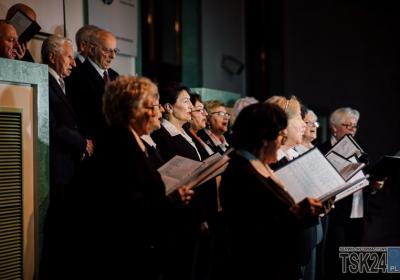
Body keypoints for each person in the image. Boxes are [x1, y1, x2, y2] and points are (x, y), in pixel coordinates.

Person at [94, 75, 193, 279]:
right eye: (152, 106)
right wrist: (172, 200)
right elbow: (130, 210)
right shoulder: (120, 149)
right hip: (129, 257)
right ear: (133, 111)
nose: (158, 112)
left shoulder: (132, 143)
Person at [220, 102, 324, 280]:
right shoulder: (241, 173)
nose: (281, 141)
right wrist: (296, 213)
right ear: (263, 139)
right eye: (279, 135)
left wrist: (309, 211)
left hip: (281, 265)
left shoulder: (260, 165)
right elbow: (251, 232)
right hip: (261, 269)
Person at [40, 34, 93, 279]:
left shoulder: (62, 83)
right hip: (56, 169)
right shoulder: (43, 82)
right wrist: (83, 143)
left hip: (70, 166)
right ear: (52, 57)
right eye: (69, 57)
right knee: (56, 235)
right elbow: (52, 126)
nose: (73, 63)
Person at [318, 107, 383, 280]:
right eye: (348, 126)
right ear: (334, 127)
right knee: (336, 262)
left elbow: (364, 179)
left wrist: (374, 186)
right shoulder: (322, 150)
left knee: (355, 263)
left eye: (355, 127)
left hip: (359, 212)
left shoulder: (359, 150)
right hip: (336, 214)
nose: (352, 131)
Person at [66, 28, 119, 145]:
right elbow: (79, 117)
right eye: (107, 51)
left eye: (115, 51)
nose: (113, 56)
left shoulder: (116, 77)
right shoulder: (76, 75)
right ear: (92, 49)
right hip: (94, 146)